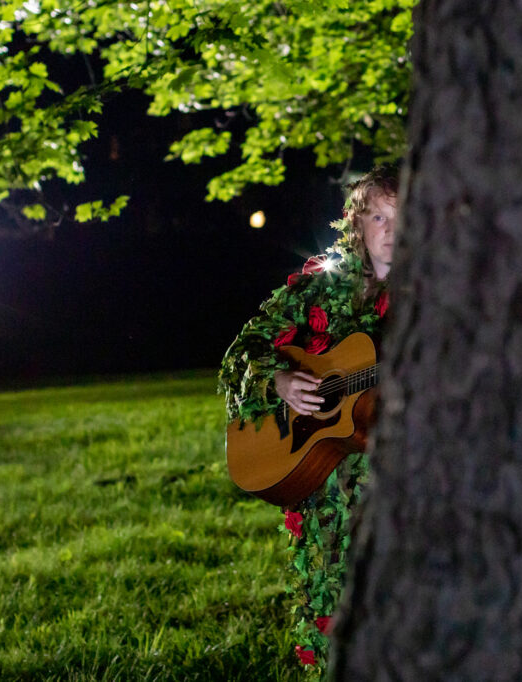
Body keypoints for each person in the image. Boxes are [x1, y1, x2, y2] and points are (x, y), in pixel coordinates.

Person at [218, 165, 397, 677]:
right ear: (357, 224)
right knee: (331, 609)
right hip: (326, 494)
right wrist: (280, 381)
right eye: (377, 216)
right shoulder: (319, 287)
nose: (388, 230)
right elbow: (244, 351)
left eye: (402, 218)